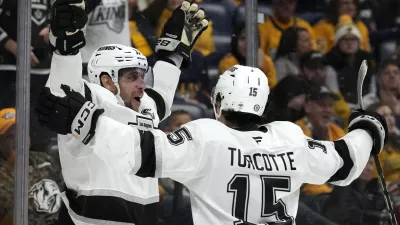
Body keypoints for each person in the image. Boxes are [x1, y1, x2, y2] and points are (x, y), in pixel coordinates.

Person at [38, 63, 388, 224]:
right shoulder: (290, 138)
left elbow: (142, 151)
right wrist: (369, 129)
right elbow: (344, 160)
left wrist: (86, 121)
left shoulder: (207, 136)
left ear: (219, 102)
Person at [38, 0, 208, 224]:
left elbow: (161, 97)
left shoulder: (144, 106)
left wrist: (172, 57)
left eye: (141, 76)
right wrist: (65, 49)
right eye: (131, 77)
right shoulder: (92, 98)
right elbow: (61, 92)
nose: (142, 84)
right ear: (107, 81)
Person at [0, 108, 63, 225]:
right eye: (10, 136)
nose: (18, 139)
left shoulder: (45, 160)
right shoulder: (2, 178)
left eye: (21, 132)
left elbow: (68, 195)